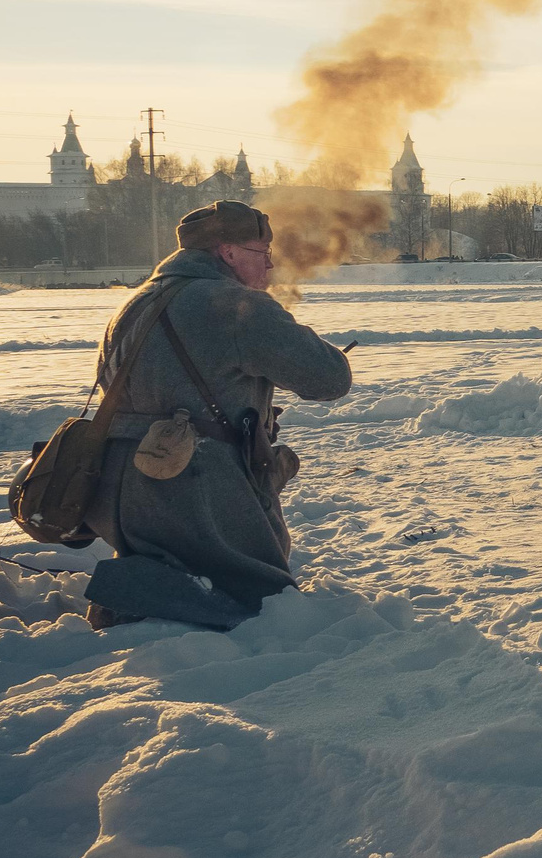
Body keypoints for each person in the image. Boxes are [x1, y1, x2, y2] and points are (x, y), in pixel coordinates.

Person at [80, 200, 351, 629]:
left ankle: (137, 591)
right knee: (257, 604)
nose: (271, 265)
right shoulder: (236, 305)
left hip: (122, 495)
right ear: (227, 252)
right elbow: (329, 378)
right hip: (200, 488)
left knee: (185, 571)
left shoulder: (133, 303)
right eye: (262, 253)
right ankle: (137, 597)